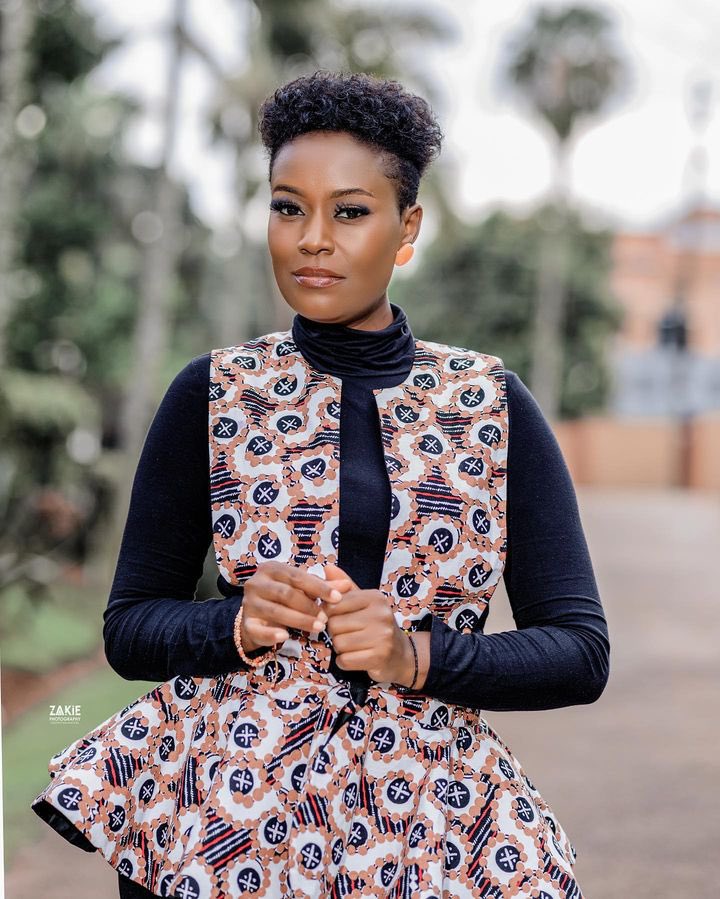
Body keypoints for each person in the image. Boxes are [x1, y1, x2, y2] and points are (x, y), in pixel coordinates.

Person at [31, 70, 609, 899]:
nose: (311, 239)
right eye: (287, 207)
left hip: (424, 820)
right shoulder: (214, 393)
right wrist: (236, 620)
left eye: (350, 211)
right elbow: (130, 628)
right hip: (221, 814)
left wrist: (414, 654)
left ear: (407, 228)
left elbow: (579, 651)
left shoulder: (490, 405)